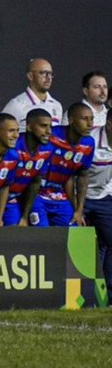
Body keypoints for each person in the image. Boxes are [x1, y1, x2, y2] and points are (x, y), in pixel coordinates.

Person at [30, 102, 94, 226]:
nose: (90, 124)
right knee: (41, 236)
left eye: (91, 119)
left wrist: (79, 210)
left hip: (60, 197)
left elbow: (82, 176)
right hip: (38, 194)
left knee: (75, 233)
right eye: (84, 119)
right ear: (71, 120)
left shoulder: (89, 144)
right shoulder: (51, 136)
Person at [3, 109, 55, 226]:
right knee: (14, 231)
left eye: (50, 127)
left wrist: (25, 217)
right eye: (43, 126)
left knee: (42, 228)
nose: (48, 131)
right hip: (5, 198)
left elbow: (35, 183)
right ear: (29, 127)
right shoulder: (12, 147)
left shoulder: (48, 149)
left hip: (26, 195)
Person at [84, 108, 112, 302]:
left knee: (110, 241)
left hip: (103, 197)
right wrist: (78, 208)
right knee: (79, 243)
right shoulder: (91, 142)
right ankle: (83, 293)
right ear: (108, 124)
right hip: (81, 198)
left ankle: (108, 295)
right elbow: (79, 174)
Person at [2, 58, 62, 132]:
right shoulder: (17, 105)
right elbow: (2, 132)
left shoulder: (57, 106)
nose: (48, 78)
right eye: (43, 73)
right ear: (30, 76)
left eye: (50, 74)